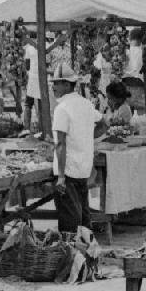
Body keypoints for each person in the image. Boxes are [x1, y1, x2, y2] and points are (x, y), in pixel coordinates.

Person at [51, 71, 103, 233]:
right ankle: (85, 253)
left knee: (70, 221)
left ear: (67, 84)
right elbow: (104, 122)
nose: (53, 87)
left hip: (68, 171)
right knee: (83, 217)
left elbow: (60, 143)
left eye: (56, 83)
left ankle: (73, 254)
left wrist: (60, 177)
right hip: (83, 169)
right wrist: (87, 138)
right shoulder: (85, 104)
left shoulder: (62, 108)